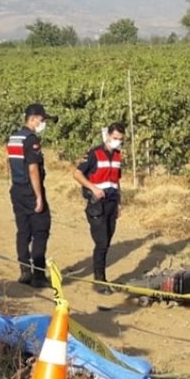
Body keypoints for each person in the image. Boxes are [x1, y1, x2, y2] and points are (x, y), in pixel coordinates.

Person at [72, 123, 126, 295]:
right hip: (96, 204)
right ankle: (99, 280)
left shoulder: (118, 156)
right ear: (108, 136)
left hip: (111, 203)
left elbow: (116, 180)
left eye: (121, 139)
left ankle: (101, 277)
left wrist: (119, 203)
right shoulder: (94, 153)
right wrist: (93, 188)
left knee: (107, 241)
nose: (118, 142)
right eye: (115, 138)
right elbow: (77, 174)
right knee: (101, 242)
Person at [7, 104, 53, 288]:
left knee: (23, 230)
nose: (43, 124)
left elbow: (10, 163)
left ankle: (25, 270)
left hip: (17, 188)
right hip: (29, 190)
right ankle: (39, 275)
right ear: (33, 119)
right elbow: (33, 169)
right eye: (42, 120)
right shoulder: (31, 139)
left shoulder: (14, 138)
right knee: (40, 231)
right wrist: (39, 196)